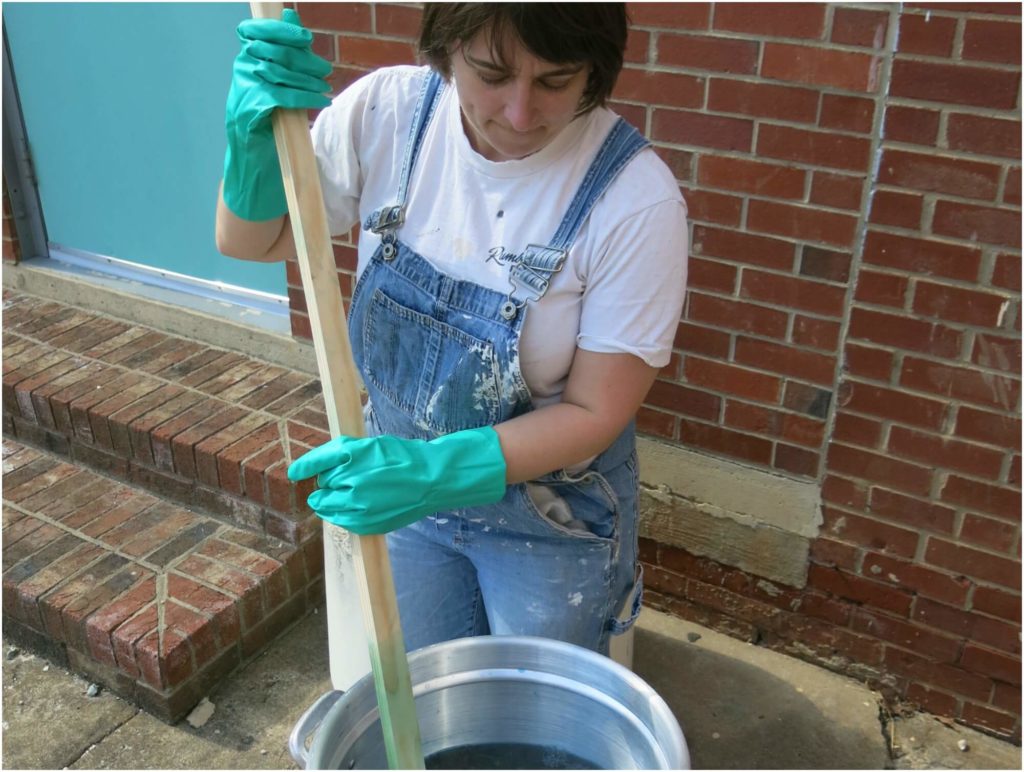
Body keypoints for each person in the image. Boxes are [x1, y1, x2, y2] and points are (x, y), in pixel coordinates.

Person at [216, 3, 688, 658]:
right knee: (433, 701)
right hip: (407, 505)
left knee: (535, 735)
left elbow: (595, 411)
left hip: (549, 521)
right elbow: (254, 239)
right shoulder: (389, 115)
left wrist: (433, 471)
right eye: (491, 74)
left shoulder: (635, 199)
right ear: (447, 47)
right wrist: (251, 145)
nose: (520, 114)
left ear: (595, 72)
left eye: (555, 81)